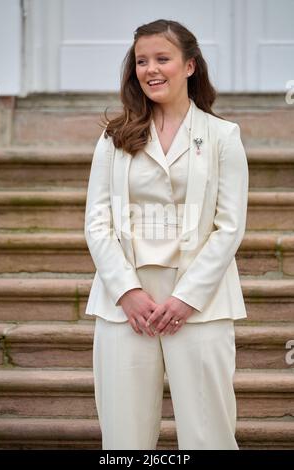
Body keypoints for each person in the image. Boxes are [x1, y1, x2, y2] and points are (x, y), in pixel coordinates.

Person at [84, 19, 249, 450]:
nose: (150, 69)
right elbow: (97, 223)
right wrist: (127, 291)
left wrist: (185, 298)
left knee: (208, 432)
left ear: (190, 66)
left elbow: (229, 227)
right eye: (141, 61)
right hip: (124, 303)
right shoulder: (114, 138)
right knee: (124, 437)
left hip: (201, 301)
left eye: (162, 59)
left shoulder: (222, 137)